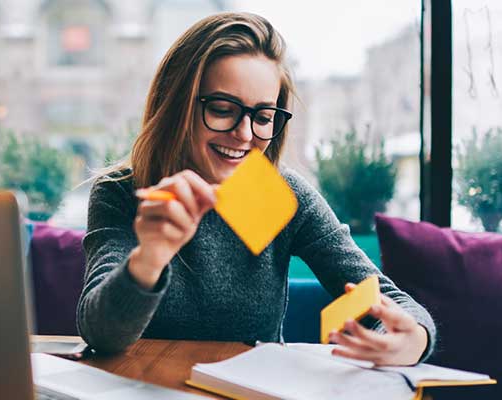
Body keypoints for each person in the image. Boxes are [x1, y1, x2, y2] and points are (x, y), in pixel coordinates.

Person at [76, 12, 435, 366]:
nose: (245, 135)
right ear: (175, 105)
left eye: (263, 117)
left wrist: (413, 339)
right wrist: (149, 257)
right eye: (221, 109)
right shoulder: (124, 193)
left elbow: (382, 296)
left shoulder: (281, 196)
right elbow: (101, 333)